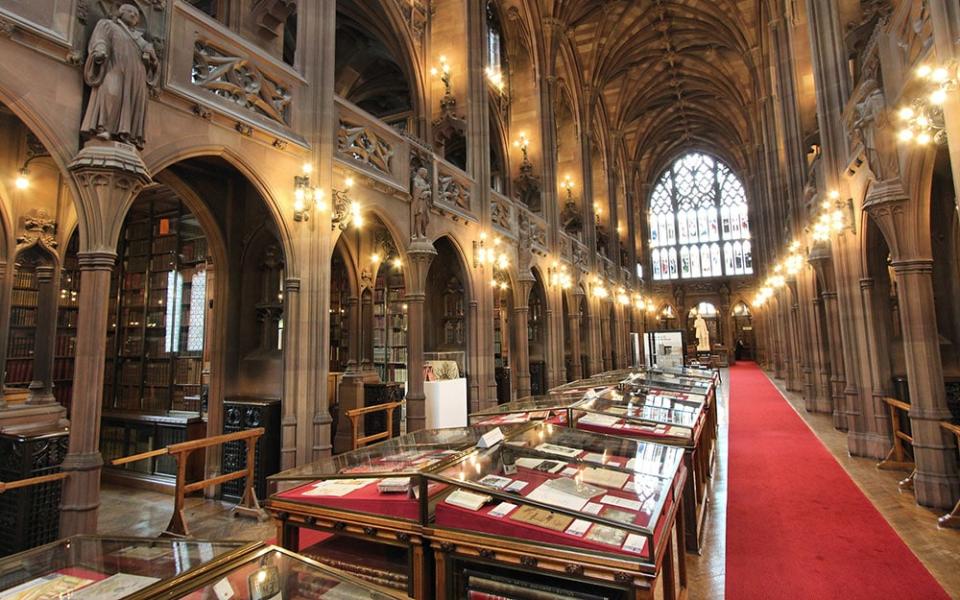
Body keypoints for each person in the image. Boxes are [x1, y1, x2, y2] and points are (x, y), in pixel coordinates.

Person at [80, 4, 159, 149]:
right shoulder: (108, 25)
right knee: (111, 93)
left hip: (136, 77)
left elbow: (154, 64)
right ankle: (104, 128)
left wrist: (153, 59)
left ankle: (127, 135)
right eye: (130, 11)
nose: (134, 15)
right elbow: (100, 39)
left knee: (132, 103)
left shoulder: (140, 40)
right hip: (115, 67)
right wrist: (100, 50)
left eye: (136, 14)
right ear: (120, 13)